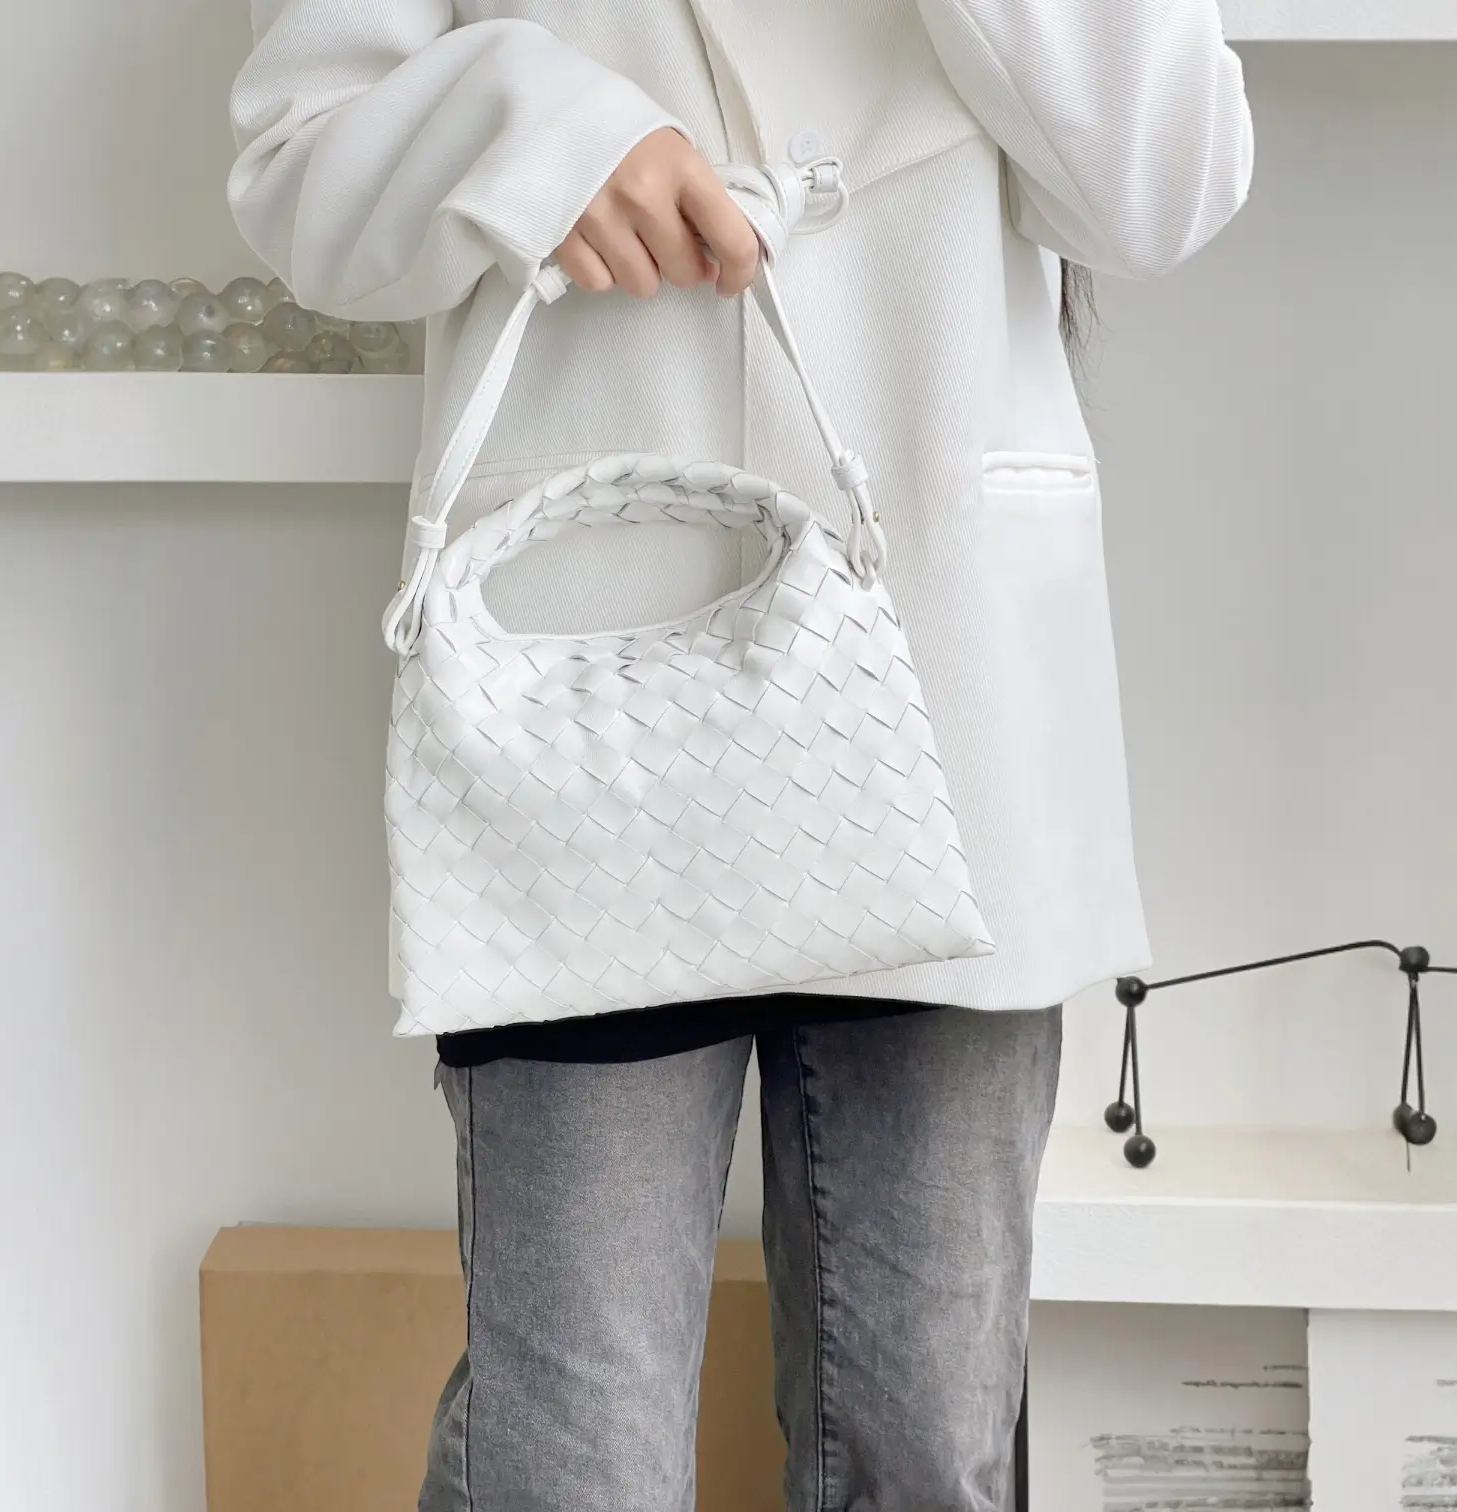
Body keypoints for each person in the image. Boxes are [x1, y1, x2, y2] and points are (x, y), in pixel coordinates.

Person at [228, 3, 1253, 1507]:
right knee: (571, 1465)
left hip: (942, 668)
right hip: (589, 685)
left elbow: (1159, 186)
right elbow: (301, 165)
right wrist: (541, 133)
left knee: (927, 1449)